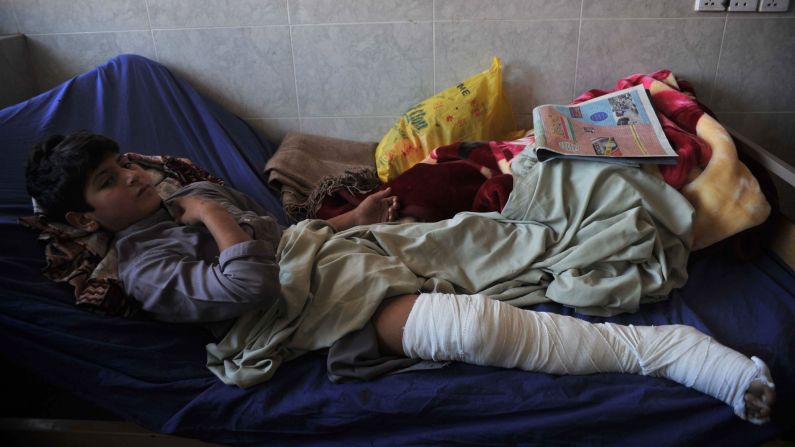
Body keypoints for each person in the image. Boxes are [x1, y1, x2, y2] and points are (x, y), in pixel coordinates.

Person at [25, 131, 775, 424]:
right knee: (469, 326)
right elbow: (246, 288)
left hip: (326, 256)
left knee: (488, 231)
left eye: (124, 162)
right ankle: (673, 351)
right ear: (88, 220)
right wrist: (211, 218)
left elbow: (282, 242)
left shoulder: (181, 200)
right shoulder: (148, 261)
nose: (130, 176)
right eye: (106, 182)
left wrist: (350, 225)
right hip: (307, 310)